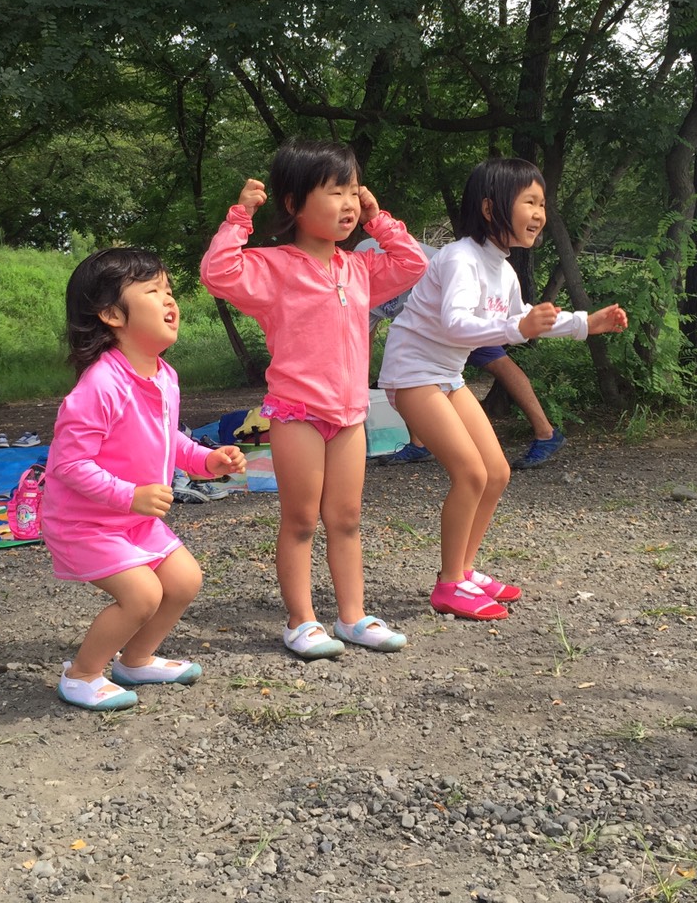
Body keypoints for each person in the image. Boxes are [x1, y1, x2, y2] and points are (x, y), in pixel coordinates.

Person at [201, 139, 427, 660]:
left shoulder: (360, 268)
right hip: (297, 414)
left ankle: (353, 616)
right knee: (301, 520)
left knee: (346, 518)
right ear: (294, 203)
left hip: (349, 416)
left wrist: (379, 220)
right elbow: (218, 273)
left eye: (354, 191)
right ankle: (301, 621)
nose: (349, 203)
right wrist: (240, 216)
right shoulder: (274, 267)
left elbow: (412, 263)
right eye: (335, 192)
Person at [377, 157, 629, 621]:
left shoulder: (503, 270)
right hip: (413, 372)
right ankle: (449, 585)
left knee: (496, 472)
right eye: (529, 202)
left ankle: (464, 570)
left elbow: (525, 316)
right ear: (491, 208)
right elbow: (457, 323)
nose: (539, 214)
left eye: (542, 204)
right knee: (471, 474)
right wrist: (517, 327)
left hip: (447, 374)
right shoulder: (460, 258)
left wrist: (585, 323)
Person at [43, 248, 247, 711]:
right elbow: (69, 465)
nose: (170, 300)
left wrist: (207, 460)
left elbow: (167, 437)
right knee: (142, 595)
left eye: (169, 290)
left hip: (131, 518)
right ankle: (82, 674)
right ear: (113, 315)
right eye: (153, 291)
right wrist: (129, 495)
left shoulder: (164, 375)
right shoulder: (100, 385)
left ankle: (135, 660)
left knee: (185, 580)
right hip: (84, 523)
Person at [360, 240, 567, 470]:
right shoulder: (358, 288)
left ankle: (545, 432)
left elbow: (450, 276)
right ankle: (419, 443)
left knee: (499, 363)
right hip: (427, 336)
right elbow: (365, 336)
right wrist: (361, 389)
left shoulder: (375, 253)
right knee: (407, 377)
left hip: (463, 312)